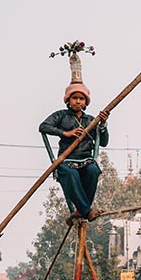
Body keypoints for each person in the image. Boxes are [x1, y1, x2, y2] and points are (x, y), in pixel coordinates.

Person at [39, 82, 110, 221]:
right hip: (67, 160)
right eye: (75, 98)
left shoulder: (90, 120)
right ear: (68, 100)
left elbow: (103, 142)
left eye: (81, 99)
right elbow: (43, 126)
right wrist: (66, 133)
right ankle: (87, 211)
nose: (78, 101)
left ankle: (81, 210)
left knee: (93, 171)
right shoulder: (61, 116)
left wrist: (102, 124)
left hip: (86, 159)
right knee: (70, 173)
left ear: (85, 102)